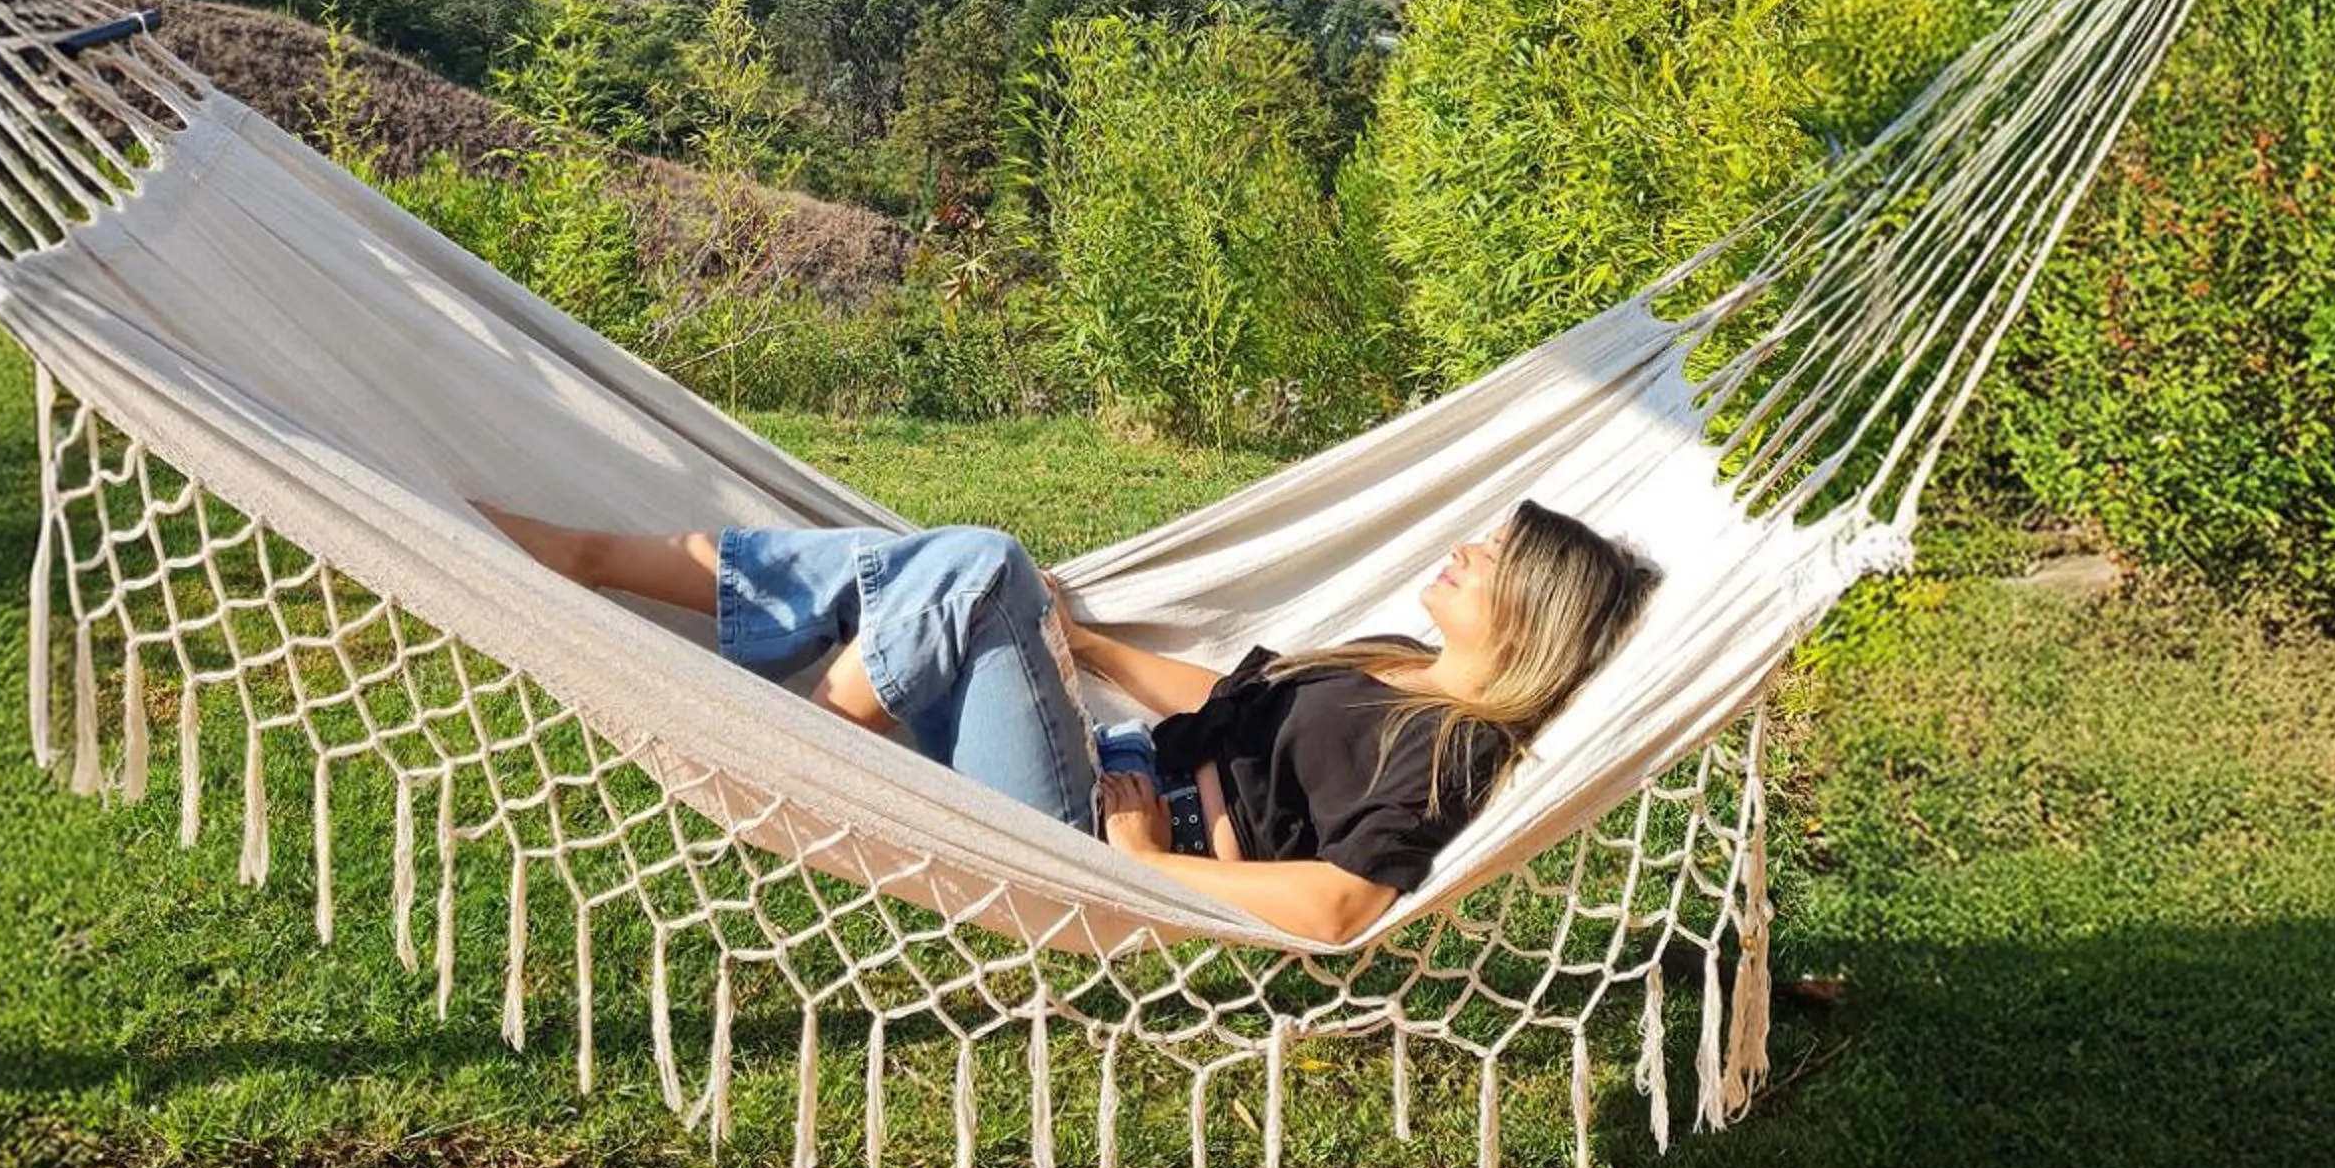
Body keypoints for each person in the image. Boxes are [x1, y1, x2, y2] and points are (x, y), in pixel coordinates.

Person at [467, 495, 1652, 944]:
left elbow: (1339, 908)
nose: (1463, 550)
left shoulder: (1458, 749)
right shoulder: (1392, 662)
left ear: (1534, 612)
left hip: (1110, 846)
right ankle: (593, 554)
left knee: (974, 564)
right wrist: (1081, 648)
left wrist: (1146, 864)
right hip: (1115, 765)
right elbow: (1225, 711)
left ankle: (812, 725)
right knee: (940, 573)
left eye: (1490, 555)